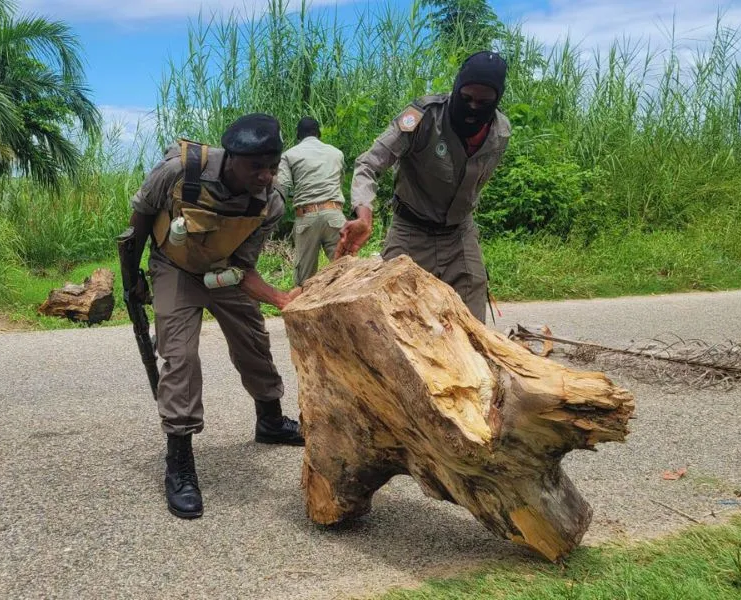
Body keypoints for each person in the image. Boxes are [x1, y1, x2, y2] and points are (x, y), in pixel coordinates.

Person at [119, 114, 304, 520]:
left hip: (225, 270)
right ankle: (180, 461)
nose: (266, 176)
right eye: (256, 167)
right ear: (231, 159)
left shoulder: (269, 202)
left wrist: (277, 298)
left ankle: (270, 421)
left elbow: (245, 265)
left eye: (272, 166)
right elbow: (140, 218)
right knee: (181, 356)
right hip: (175, 267)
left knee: (253, 339)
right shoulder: (179, 171)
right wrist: (132, 279)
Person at [336, 51, 511, 322]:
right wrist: (363, 213)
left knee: (473, 327)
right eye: (466, 99)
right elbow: (369, 164)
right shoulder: (420, 117)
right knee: (394, 322)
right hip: (410, 232)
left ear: (497, 100)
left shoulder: (500, 133)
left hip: (459, 235)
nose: (473, 107)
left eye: (484, 102)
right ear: (456, 88)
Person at [275, 117, 348, 284]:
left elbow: (282, 187)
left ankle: (302, 303)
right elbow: (339, 181)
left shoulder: (289, 155)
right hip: (335, 215)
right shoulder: (337, 153)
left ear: (298, 135)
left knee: (304, 278)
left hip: (306, 217)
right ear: (318, 133)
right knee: (345, 272)